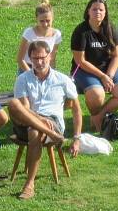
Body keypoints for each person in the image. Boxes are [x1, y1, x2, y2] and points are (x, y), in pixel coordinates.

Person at [8, 41, 82, 200]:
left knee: (35, 132)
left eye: (43, 58)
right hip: (28, 120)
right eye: (35, 58)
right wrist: (40, 119)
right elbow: (24, 108)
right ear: (30, 58)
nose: (39, 62)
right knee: (14, 103)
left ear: (50, 56)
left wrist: (77, 138)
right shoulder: (23, 79)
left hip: (52, 122)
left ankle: (29, 185)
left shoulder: (63, 80)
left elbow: (76, 109)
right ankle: (49, 132)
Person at [70, 0, 118, 132]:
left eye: (101, 9)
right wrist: (102, 77)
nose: (98, 12)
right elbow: (80, 61)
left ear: (105, 12)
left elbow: (117, 56)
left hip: (108, 69)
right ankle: (97, 117)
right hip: (84, 70)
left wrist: (109, 75)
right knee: (97, 94)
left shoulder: (110, 29)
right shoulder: (81, 31)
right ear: (88, 11)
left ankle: (98, 117)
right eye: (94, 9)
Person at [17, 0, 63, 73]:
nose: (45, 24)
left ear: (53, 18)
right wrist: (31, 74)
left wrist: (51, 74)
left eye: (48, 21)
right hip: (28, 68)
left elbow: (52, 58)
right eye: (41, 21)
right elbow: (20, 59)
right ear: (36, 19)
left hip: (45, 69)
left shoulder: (56, 34)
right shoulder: (29, 33)